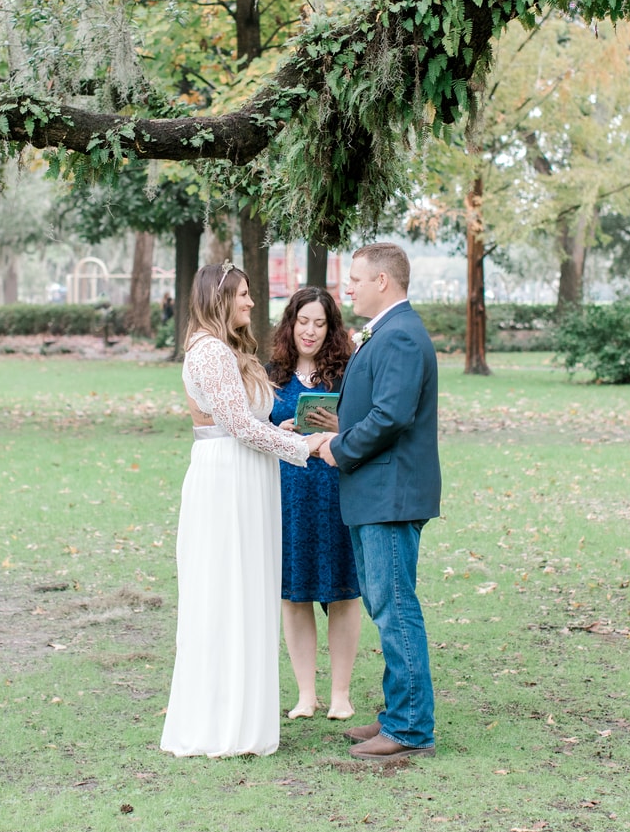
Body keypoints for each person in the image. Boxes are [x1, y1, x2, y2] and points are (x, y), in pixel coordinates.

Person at [161, 264, 336, 758]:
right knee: (226, 593)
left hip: (247, 472)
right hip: (228, 477)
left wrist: (288, 430)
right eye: (242, 294)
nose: (252, 302)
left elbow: (248, 421)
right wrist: (306, 448)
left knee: (247, 592)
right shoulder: (211, 351)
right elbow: (237, 426)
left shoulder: (231, 349)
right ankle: (223, 725)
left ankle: (241, 717)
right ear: (219, 298)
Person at [316, 242, 440, 761]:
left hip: (390, 494)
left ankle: (410, 730)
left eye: (357, 280)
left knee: (395, 608)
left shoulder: (402, 337)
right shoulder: (387, 333)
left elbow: (392, 417)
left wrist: (338, 448)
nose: (350, 289)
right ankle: (396, 714)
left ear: (383, 282)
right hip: (375, 493)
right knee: (383, 604)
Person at [267, 287, 361, 721]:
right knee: (295, 594)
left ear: (331, 328)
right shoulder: (271, 374)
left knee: (343, 593)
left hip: (337, 492)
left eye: (319, 323)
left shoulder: (347, 373)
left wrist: (339, 425)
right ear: (290, 324)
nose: (310, 331)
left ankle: (340, 693)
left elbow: (366, 429)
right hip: (289, 496)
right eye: (303, 322)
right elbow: (252, 429)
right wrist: (281, 430)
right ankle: (307, 694)